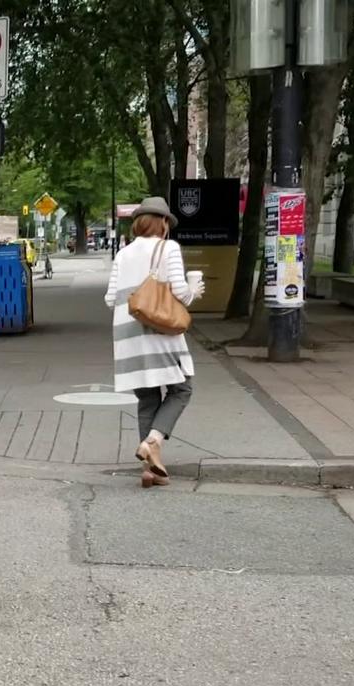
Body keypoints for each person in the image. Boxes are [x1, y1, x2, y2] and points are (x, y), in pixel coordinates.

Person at [103, 197, 204, 488]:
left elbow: (111, 299)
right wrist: (194, 289)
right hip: (159, 333)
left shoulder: (123, 254)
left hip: (128, 338)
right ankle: (153, 440)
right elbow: (181, 295)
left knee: (147, 398)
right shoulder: (168, 247)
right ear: (162, 223)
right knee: (182, 388)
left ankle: (150, 470)